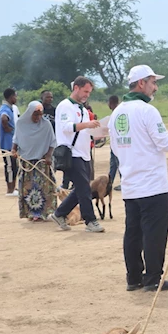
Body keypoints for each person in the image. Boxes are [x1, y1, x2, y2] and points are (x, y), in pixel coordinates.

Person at [110, 65, 168, 292]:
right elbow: (165, 143)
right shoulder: (147, 111)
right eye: (153, 82)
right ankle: (153, 278)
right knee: (154, 233)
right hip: (153, 184)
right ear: (141, 83)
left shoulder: (116, 113)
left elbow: (115, 147)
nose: (155, 87)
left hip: (131, 183)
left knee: (133, 232)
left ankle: (133, 278)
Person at [49, 76, 105, 233]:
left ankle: (59, 213)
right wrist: (87, 124)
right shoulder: (65, 106)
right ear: (76, 88)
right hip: (71, 153)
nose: (87, 95)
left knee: (81, 188)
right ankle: (90, 220)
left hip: (84, 153)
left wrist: (99, 133)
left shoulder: (82, 109)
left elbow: (86, 131)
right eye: (85, 91)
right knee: (84, 189)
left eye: (89, 92)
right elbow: (66, 127)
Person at [11, 101, 56, 221]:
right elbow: (16, 139)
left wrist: (48, 156)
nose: (38, 118)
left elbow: (52, 142)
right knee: (28, 189)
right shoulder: (21, 123)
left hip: (41, 163)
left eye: (40, 115)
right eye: (35, 115)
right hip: (27, 162)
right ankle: (30, 213)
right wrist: (14, 150)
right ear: (29, 113)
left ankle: (42, 213)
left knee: (43, 188)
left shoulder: (46, 125)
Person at [0, 88, 19, 197]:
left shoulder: (10, 108)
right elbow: (3, 118)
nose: (16, 98)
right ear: (11, 97)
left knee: (14, 167)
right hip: (7, 145)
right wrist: (6, 127)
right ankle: (9, 190)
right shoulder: (5, 108)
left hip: (11, 144)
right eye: (15, 96)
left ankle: (13, 188)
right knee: (10, 167)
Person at [107, 95, 122, 191]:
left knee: (118, 163)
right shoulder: (117, 112)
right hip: (115, 144)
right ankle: (109, 182)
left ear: (111, 103)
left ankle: (123, 182)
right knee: (114, 164)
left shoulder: (117, 113)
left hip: (118, 144)